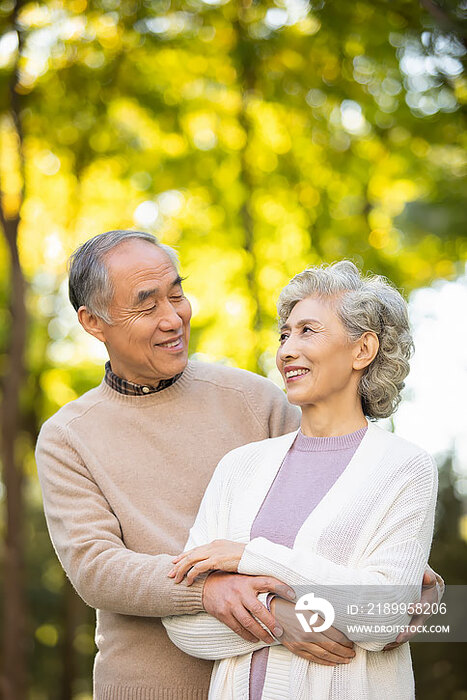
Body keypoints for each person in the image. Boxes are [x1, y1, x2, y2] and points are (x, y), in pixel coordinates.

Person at [36, 235, 440, 699]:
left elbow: (343, 504)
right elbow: (97, 568)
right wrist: (214, 592)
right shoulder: (69, 435)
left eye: (176, 293)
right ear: (93, 322)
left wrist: (410, 586)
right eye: (147, 307)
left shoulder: (255, 399)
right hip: (153, 683)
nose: (173, 318)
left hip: (295, 678)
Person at [163, 261, 439, 699]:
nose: (287, 349)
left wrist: (250, 559)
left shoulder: (405, 467)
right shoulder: (239, 467)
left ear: (362, 350)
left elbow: (381, 616)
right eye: (285, 334)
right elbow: (183, 622)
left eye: (308, 330)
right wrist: (282, 621)